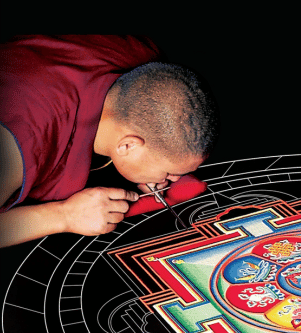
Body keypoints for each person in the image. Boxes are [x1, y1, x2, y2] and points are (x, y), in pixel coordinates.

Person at [0, 35, 220, 248]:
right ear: (127, 146)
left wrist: (151, 166)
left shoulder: (143, 59)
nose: (173, 180)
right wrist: (64, 216)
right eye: (168, 174)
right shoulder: (20, 142)